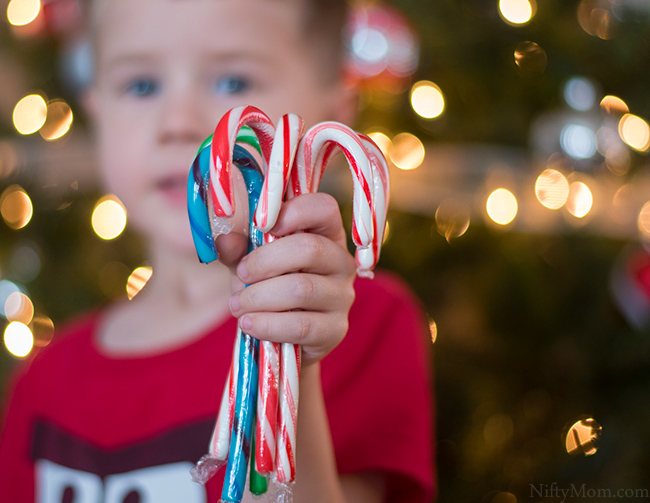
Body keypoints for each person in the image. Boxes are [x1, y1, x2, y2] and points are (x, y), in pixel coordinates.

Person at [0, 0, 435, 501]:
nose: (179, 122)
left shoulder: (364, 323)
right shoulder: (46, 380)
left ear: (332, 115)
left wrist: (290, 361)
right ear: (97, 109)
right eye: (141, 85)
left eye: (233, 82)